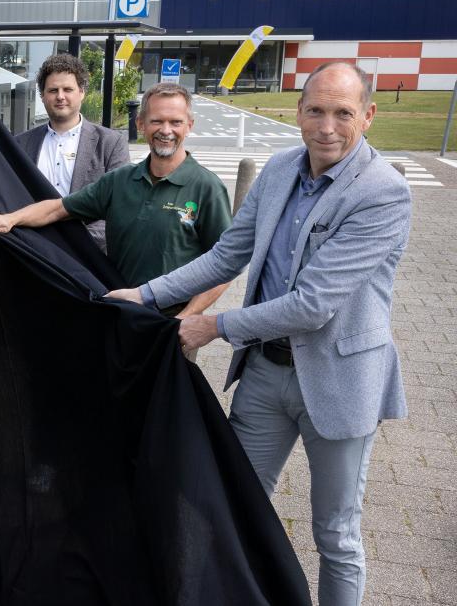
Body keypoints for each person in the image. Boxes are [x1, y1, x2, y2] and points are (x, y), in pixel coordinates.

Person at [107, 62, 412, 606]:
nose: (326, 126)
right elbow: (227, 254)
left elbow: (313, 304)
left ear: (366, 116)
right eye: (315, 110)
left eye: (342, 112)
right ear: (297, 111)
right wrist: (145, 295)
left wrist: (212, 326)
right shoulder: (277, 171)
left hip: (340, 384)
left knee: (335, 535)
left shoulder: (383, 193)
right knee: (234, 506)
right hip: (265, 376)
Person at [0, 82, 232, 332]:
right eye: (156, 121)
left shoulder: (206, 187)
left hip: (172, 324)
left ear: (189, 126)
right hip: (122, 314)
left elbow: (226, 265)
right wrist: (11, 219)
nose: (165, 130)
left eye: (175, 122)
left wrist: (187, 317)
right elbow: (57, 208)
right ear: (140, 124)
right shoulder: (119, 181)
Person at [15, 53, 129, 253]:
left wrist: (72, 240)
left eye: (68, 89)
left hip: (91, 258)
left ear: (82, 92)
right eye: (53, 90)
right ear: (42, 95)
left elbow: (120, 208)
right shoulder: (21, 144)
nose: (60, 96)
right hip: (34, 254)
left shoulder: (111, 143)